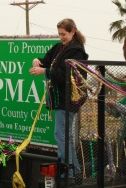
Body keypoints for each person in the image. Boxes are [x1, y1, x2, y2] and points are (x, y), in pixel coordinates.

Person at [29, 18, 89, 181]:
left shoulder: (76, 51)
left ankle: (67, 173)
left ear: (73, 32)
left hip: (69, 99)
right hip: (61, 99)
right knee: (65, 136)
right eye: (59, 34)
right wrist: (38, 61)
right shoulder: (60, 48)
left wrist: (45, 72)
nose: (61, 37)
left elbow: (66, 75)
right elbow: (47, 60)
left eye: (64, 34)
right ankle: (74, 171)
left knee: (61, 135)